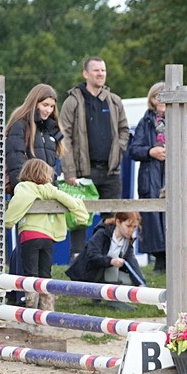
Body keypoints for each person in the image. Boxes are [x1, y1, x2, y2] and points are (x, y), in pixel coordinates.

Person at [58, 57, 130, 257]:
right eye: (96, 70)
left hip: (110, 171)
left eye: (103, 70)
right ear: (85, 74)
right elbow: (63, 137)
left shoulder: (114, 100)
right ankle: (78, 264)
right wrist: (69, 171)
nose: (101, 74)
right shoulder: (73, 101)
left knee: (112, 220)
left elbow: (124, 130)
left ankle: (108, 262)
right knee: (79, 219)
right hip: (81, 173)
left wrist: (118, 150)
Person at [5, 159, 89, 310]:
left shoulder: (24, 187)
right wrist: (82, 216)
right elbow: (71, 201)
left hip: (30, 236)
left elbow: (18, 202)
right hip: (48, 238)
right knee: (45, 273)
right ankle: (47, 309)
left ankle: (31, 308)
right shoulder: (50, 190)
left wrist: (7, 222)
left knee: (30, 274)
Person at [65, 212, 145, 308]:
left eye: (134, 227)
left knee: (129, 278)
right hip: (88, 273)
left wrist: (140, 283)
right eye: (128, 226)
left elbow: (132, 263)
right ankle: (112, 300)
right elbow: (92, 256)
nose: (131, 230)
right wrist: (111, 261)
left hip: (103, 271)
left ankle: (102, 295)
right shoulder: (102, 233)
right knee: (113, 262)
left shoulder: (127, 241)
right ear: (118, 222)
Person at [128, 83, 167, 272]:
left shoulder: (185, 120)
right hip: (150, 175)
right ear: (151, 99)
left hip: (173, 174)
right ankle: (159, 260)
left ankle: (174, 259)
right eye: (158, 96)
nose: (161, 100)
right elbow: (134, 149)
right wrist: (151, 151)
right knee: (152, 217)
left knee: (174, 215)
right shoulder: (146, 121)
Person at [5, 84, 64, 188]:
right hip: (27, 192)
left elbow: (52, 169)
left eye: (52, 106)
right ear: (34, 103)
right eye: (45, 105)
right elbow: (15, 162)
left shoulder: (51, 130)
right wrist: (21, 190)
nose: (49, 110)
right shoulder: (20, 126)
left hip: (46, 192)